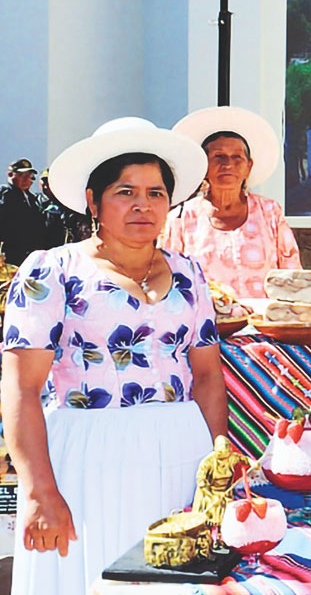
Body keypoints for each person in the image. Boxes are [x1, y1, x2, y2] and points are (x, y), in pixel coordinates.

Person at [1, 117, 225, 595]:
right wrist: (40, 491)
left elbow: (206, 376)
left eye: (156, 192)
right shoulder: (51, 272)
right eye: (125, 191)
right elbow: (20, 386)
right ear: (93, 201)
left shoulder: (190, 274)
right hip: (87, 460)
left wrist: (217, 464)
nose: (143, 204)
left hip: (180, 453)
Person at [161, 106, 302, 298]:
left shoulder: (269, 212)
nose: (228, 165)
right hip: (206, 324)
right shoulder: (181, 219)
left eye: (237, 158)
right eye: (218, 157)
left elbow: (292, 273)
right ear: (204, 164)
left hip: (264, 322)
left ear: (248, 166)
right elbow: (170, 279)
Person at [0, 159, 50, 266]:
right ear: (10, 175)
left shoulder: (32, 199)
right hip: (11, 254)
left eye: (29, 175)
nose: (27, 179)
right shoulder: (5, 194)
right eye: (22, 175)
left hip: (30, 255)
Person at [39, 169, 93, 247]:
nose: (46, 186)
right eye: (44, 182)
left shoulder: (69, 201)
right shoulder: (37, 202)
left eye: (49, 183)